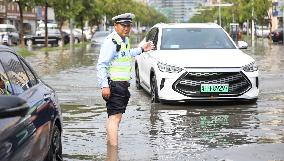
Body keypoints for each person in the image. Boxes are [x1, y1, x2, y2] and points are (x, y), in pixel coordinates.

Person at [96, 13, 155, 147]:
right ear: (115, 25)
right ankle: (113, 152)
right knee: (115, 118)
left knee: (114, 117)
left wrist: (141, 49)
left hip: (121, 85)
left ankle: (110, 148)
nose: (126, 28)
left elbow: (125, 54)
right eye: (123, 25)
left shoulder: (124, 40)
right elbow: (101, 65)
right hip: (115, 85)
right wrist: (104, 86)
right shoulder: (111, 41)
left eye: (128, 26)